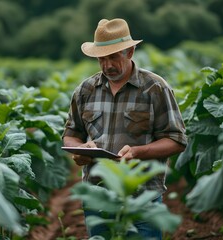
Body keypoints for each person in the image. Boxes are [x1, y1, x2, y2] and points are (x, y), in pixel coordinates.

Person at [62, 18, 187, 239]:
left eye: (113, 57)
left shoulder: (155, 88)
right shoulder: (85, 90)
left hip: (142, 198)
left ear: (130, 52)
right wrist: (81, 150)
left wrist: (138, 152)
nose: (107, 65)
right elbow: (70, 135)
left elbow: (176, 140)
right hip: (97, 195)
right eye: (101, 58)